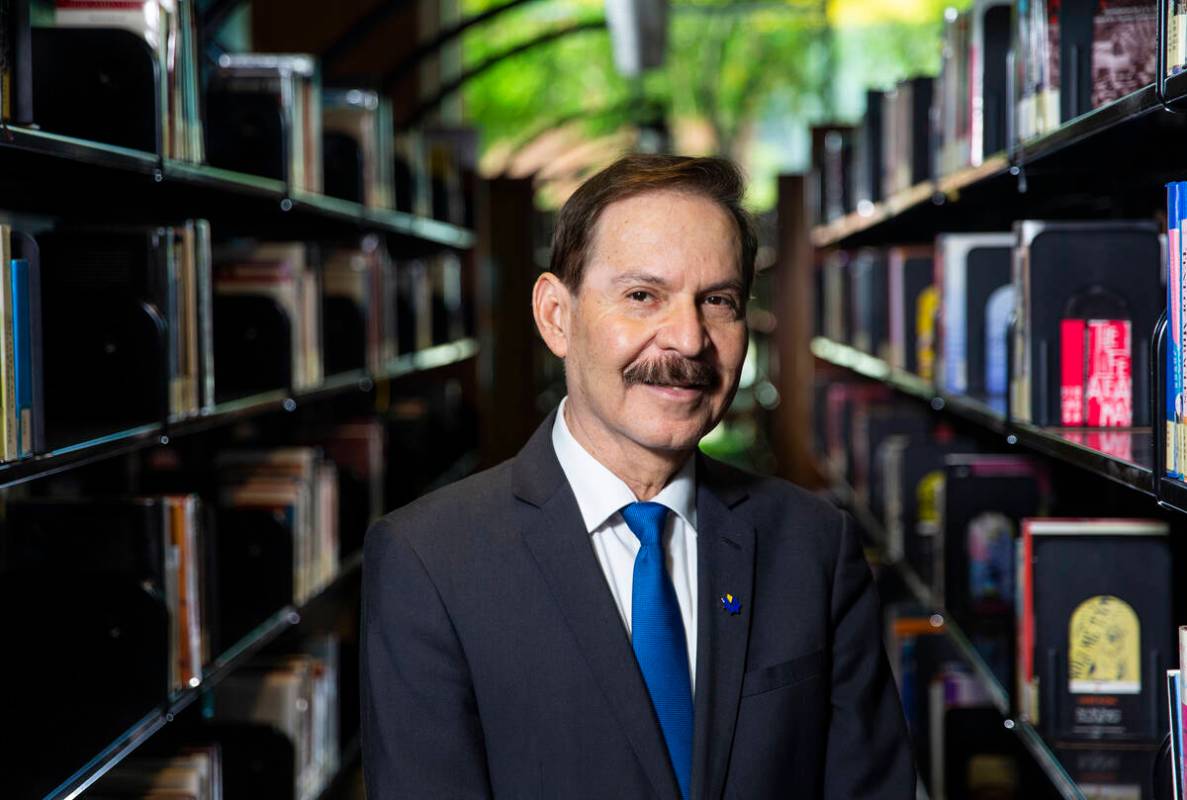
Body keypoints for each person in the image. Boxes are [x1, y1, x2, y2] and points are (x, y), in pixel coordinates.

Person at [361, 154, 916, 799]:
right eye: (641, 296)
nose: (687, 339)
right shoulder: (430, 561)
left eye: (718, 301)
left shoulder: (816, 546)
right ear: (556, 316)